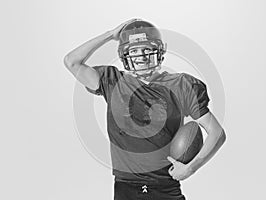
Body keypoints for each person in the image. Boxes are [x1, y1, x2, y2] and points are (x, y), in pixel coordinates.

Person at [64, 19, 226, 200]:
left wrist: (190, 168)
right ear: (124, 55)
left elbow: (217, 133)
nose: (140, 57)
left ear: (159, 51)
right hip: (125, 187)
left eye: (146, 49)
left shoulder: (181, 85)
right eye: (133, 51)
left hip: (164, 186)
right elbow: (72, 62)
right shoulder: (112, 81)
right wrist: (111, 34)